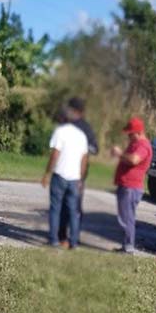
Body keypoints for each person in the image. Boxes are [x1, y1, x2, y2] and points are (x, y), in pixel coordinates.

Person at [40, 108, 89, 249]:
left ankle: (54, 240)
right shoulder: (81, 135)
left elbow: (55, 154)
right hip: (74, 178)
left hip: (59, 175)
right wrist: (81, 178)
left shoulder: (60, 132)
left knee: (55, 208)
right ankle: (73, 242)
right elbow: (84, 159)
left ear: (62, 119)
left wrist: (47, 173)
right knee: (73, 211)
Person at [57, 98, 99, 246]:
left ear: (76, 111)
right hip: (68, 172)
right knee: (67, 206)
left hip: (75, 173)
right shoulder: (67, 124)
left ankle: (70, 237)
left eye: (69, 109)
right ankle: (65, 236)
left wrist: (80, 145)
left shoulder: (84, 128)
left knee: (71, 207)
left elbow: (94, 148)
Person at [110, 116, 152, 254]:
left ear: (138, 132)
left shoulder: (143, 146)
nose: (128, 136)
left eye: (130, 133)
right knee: (126, 217)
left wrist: (119, 153)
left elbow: (134, 160)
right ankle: (126, 245)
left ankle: (128, 247)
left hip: (131, 187)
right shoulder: (135, 144)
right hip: (126, 185)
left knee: (126, 218)